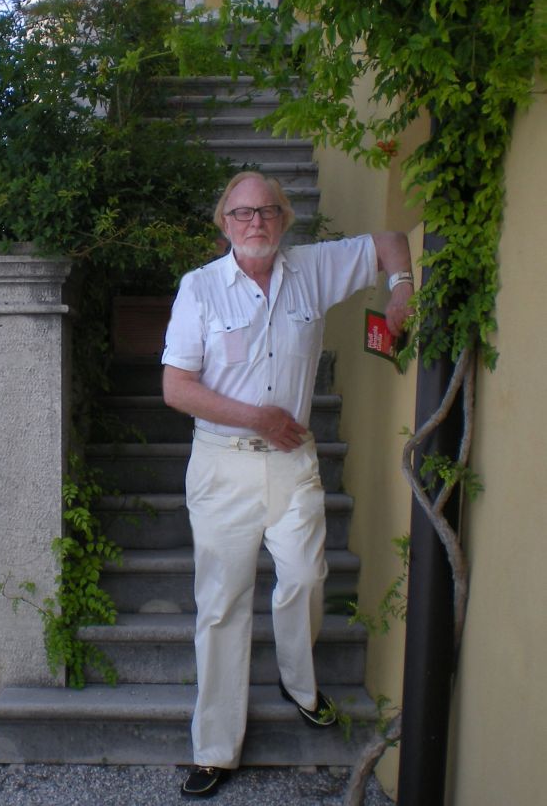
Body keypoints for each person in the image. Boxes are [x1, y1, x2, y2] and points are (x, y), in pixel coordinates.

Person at [161, 171, 414, 799]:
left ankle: (298, 684)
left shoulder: (312, 269)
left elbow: (390, 241)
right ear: (224, 223)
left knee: (305, 577)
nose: (256, 222)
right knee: (222, 604)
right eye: (243, 213)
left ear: (284, 218)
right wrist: (257, 418)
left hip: (292, 463)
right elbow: (177, 388)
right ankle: (215, 748)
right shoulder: (199, 289)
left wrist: (401, 289)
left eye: (268, 211)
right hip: (223, 466)